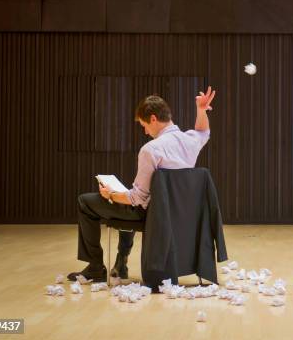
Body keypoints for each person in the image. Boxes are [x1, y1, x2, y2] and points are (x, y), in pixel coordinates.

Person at [67, 86, 216, 282]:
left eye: (144, 125)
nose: (145, 131)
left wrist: (110, 195)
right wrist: (201, 110)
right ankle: (121, 262)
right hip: (182, 215)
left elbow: (137, 199)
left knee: (87, 201)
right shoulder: (190, 140)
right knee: (126, 198)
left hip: (155, 217)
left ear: (153, 119)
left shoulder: (151, 149)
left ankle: (95, 266)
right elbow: (203, 131)